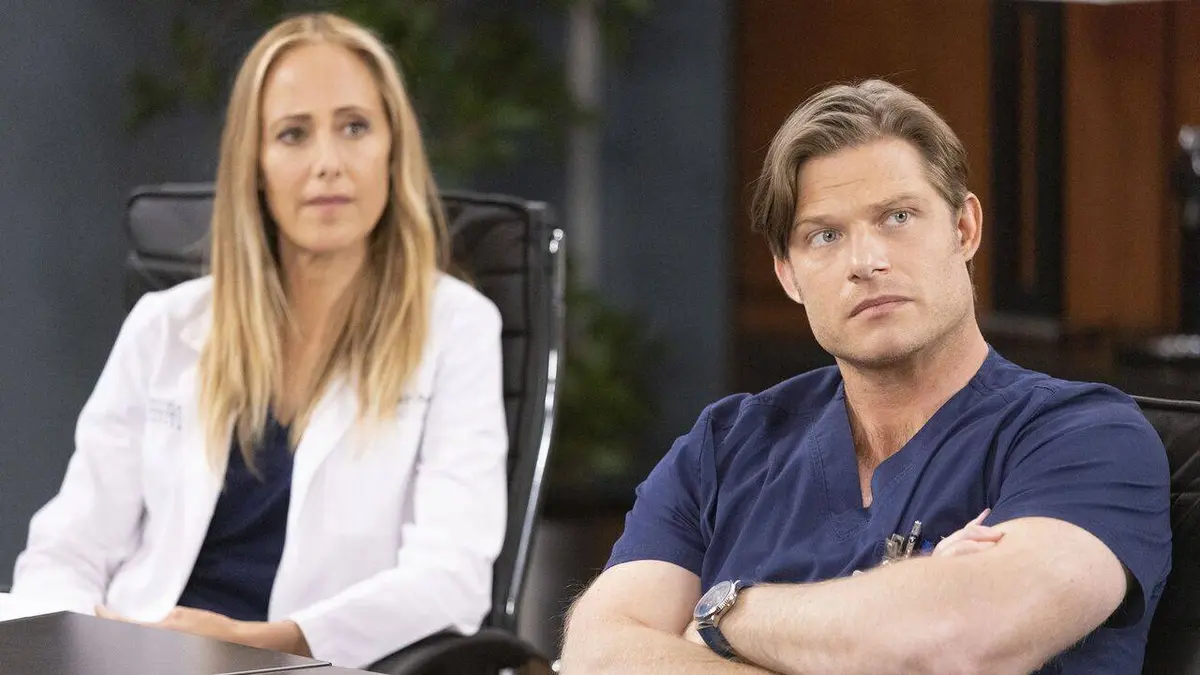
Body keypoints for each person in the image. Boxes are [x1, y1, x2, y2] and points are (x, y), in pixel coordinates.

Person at [560, 79, 1172, 674]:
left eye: (898, 217)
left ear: (964, 229)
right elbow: (596, 654)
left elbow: (954, 643)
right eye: (825, 235)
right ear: (789, 274)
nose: (866, 261)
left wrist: (724, 616)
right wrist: (894, 618)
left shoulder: (1086, 437)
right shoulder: (723, 449)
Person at [7, 12, 508, 669]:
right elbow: (65, 550)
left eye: (355, 127)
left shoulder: (457, 326)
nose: (328, 164)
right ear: (256, 165)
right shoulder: (165, 326)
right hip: (138, 652)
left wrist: (273, 640)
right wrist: (82, 639)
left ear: (394, 149)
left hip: (303, 660)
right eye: (293, 134)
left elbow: (451, 576)